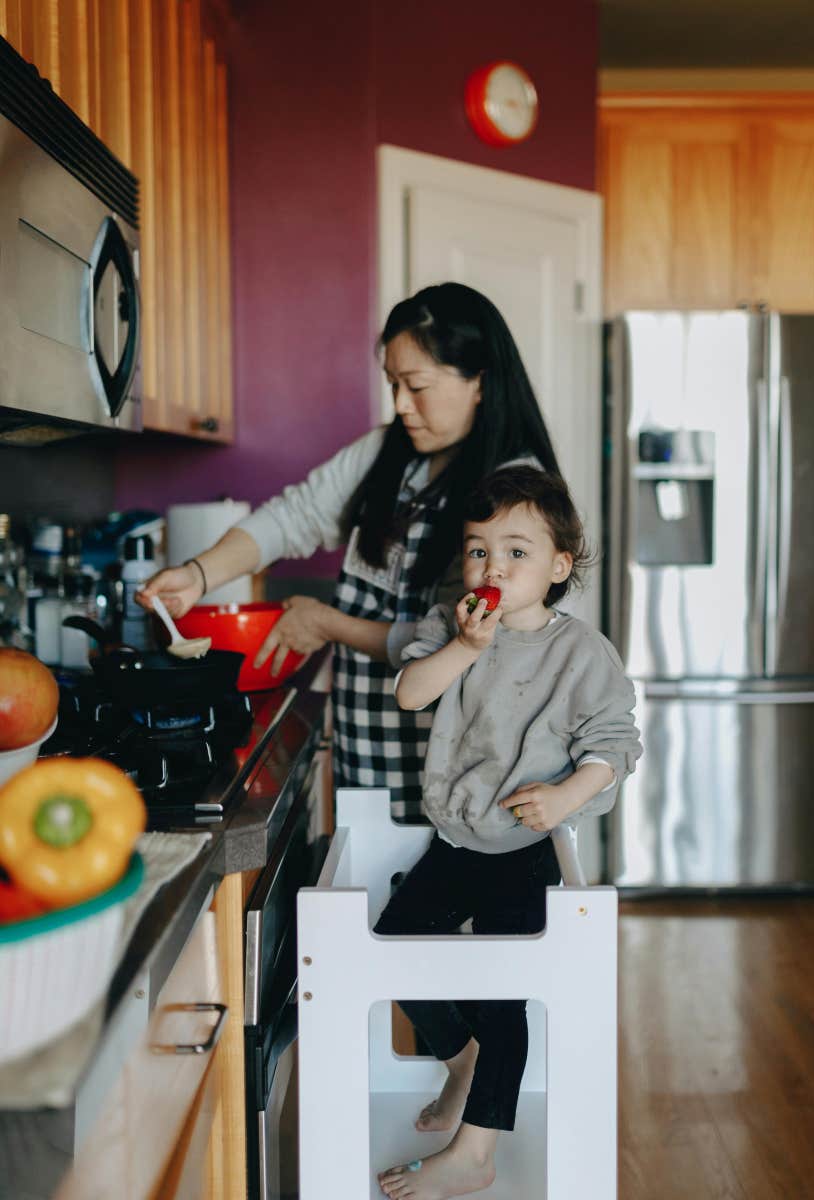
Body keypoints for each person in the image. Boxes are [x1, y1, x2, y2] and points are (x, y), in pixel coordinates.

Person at [137, 283, 562, 819]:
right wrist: (198, 576)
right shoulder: (389, 452)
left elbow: (463, 637)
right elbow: (294, 517)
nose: (401, 405)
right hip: (371, 752)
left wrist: (325, 623)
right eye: (393, 384)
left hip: (459, 770)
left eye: (417, 385)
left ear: (479, 381)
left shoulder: (516, 492)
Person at [374, 465, 642, 1200]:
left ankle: (477, 1151)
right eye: (479, 549)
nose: (493, 567)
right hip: (459, 836)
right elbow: (410, 690)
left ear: (559, 567)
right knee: (396, 943)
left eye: (516, 552)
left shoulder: (582, 653)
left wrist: (565, 797)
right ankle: (462, 1061)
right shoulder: (452, 622)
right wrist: (464, 645)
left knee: (505, 991)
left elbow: (615, 745)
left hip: (527, 847)